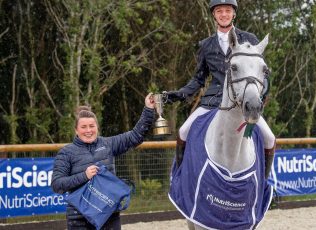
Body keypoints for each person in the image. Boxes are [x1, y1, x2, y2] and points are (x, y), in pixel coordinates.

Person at [164, 0, 275, 178]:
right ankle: (179, 177)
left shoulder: (250, 40)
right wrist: (175, 96)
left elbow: (262, 75)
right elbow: (198, 79)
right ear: (214, 15)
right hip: (212, 101)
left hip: (242, 102)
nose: (224, 14)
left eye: (227, 10)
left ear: (234, 14)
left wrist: (259, 97)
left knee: (269, 138)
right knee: (183, 131)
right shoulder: (206, 45)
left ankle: (264, 182)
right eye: (219, 11)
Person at [51, 93, 155, 230]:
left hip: (109, 216)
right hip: (79, 218)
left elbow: (135, 136)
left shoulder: (109, 144)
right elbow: (57, 185)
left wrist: (148, 109)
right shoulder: (66, 153)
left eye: (91, 126)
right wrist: (84, 176)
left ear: (97, 127)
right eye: (83, 127)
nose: (88, 130)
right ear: (76, 130)